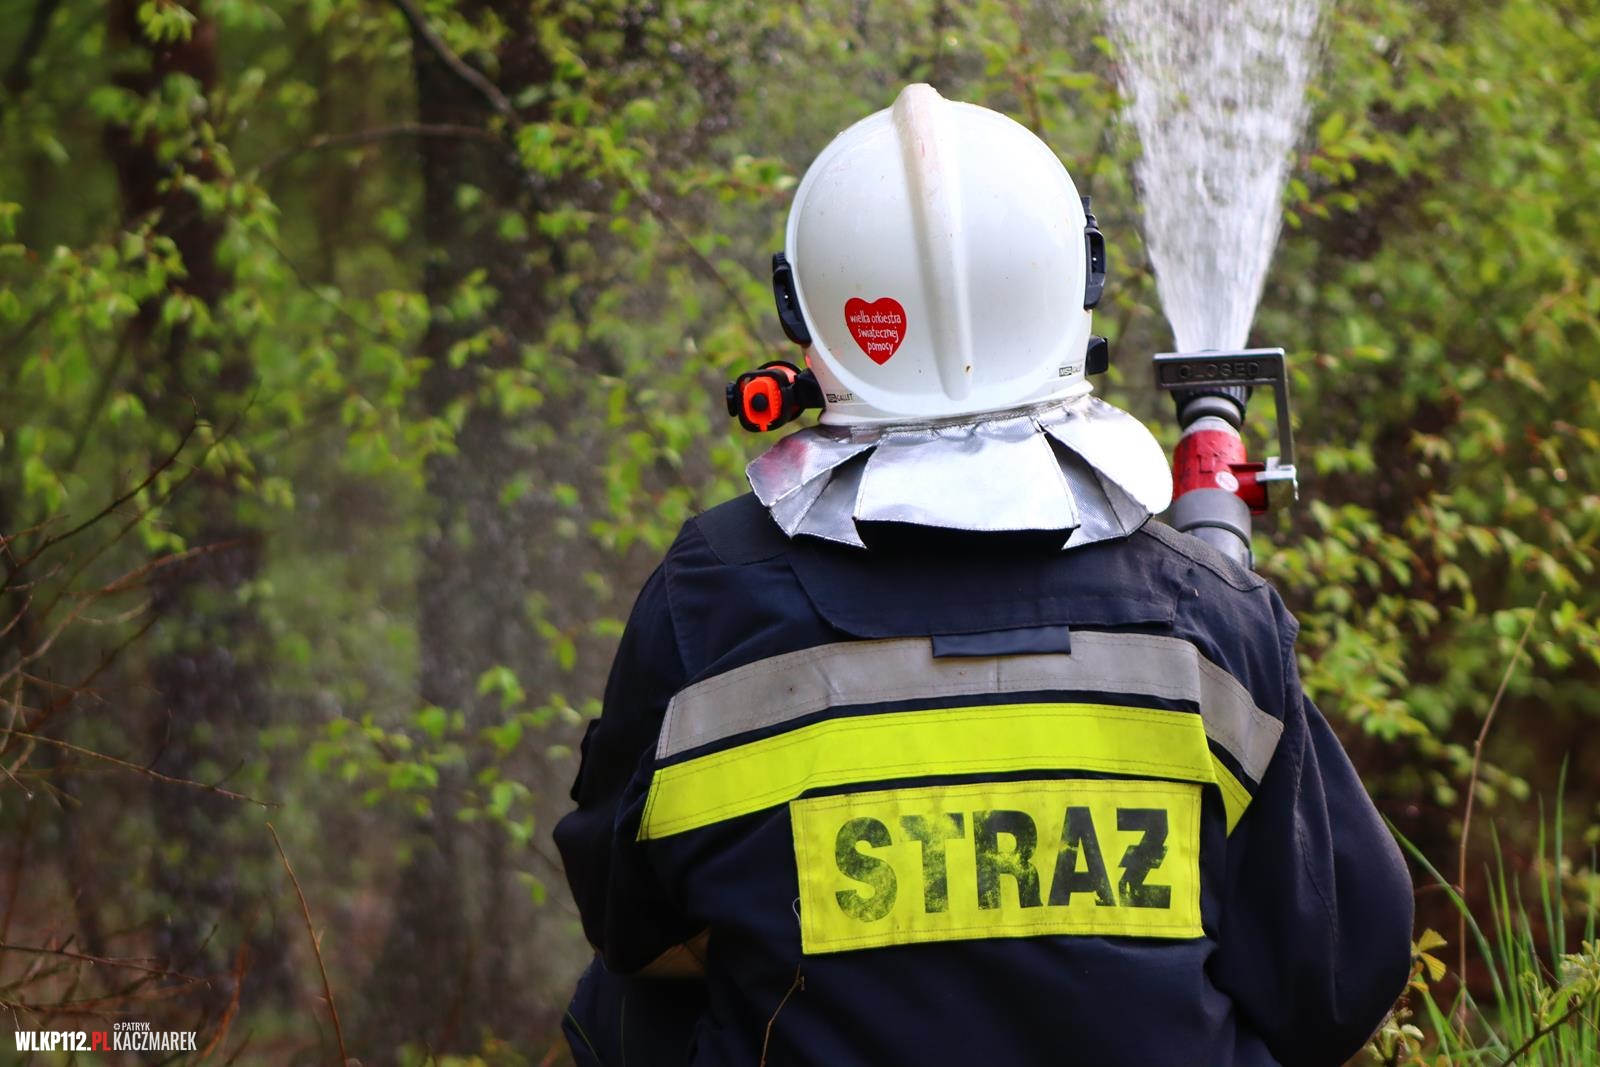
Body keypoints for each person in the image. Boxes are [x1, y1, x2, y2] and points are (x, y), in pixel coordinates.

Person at [553, 83, 1413, 1067]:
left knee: (620, 1005)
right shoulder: (1208, 615)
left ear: (807, 314)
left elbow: (622, 914)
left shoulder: (708, 602)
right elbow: (1341, 974)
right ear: (1076, 285)